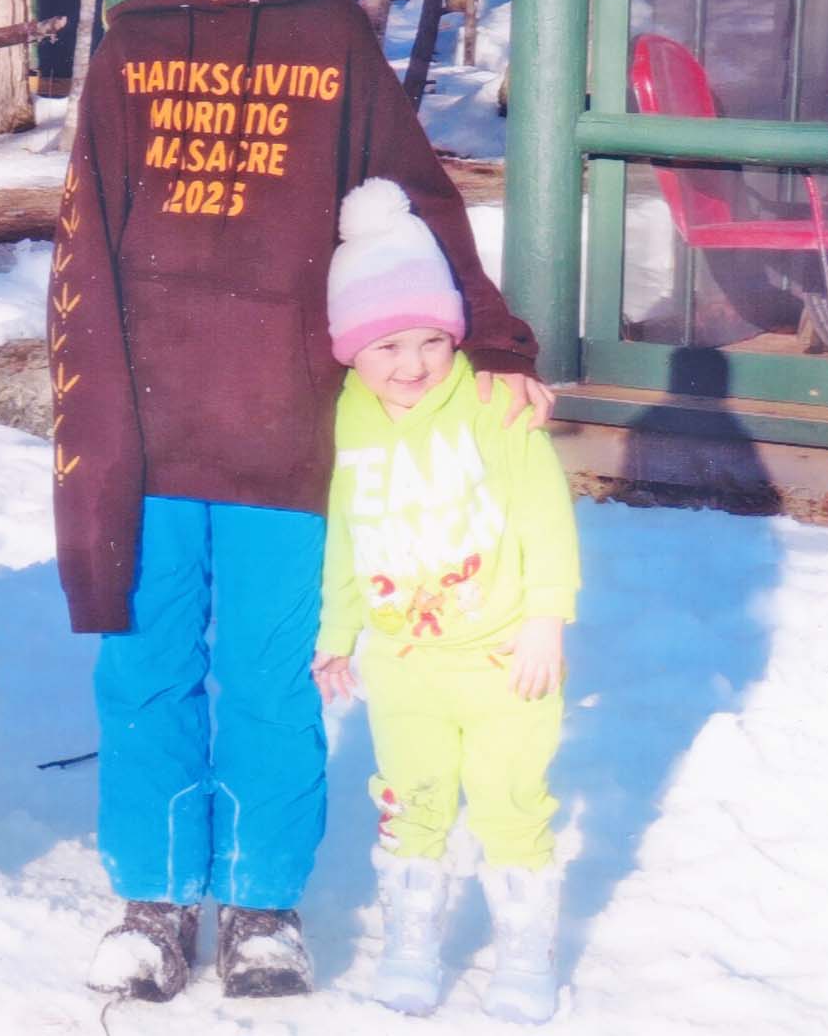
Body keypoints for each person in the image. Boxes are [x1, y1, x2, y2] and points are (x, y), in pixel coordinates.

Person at [50, 0, 550, 1003]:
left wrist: (490, 345)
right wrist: (91, 412)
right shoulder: (130, 43)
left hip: (287, 430)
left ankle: (263, 905)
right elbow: (84, 237)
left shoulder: (331, 37)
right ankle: (157, 899)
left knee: (276, 670)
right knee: (146, 664)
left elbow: (418, 195)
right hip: (151, 428)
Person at [311, 177, 580, 1024]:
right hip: (404, 664)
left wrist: (545, 618)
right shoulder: (345, 423)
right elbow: (344, 537)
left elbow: (545, 518)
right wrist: (337, 632)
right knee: (411, 798)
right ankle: (412, 938)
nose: (413, 364)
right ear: (349, 349)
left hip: (505, 660)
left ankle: (524, 952)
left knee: (509, 802)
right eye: (386, 347)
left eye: (431, 341)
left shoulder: (492, 409)